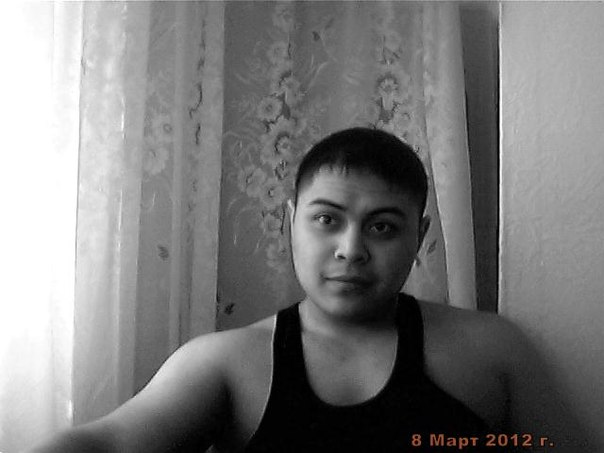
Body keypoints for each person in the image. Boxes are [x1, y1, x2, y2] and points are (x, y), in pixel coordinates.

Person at [28, 128, 593, 452]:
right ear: (290, 222)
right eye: (327, 220)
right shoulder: (228, 364)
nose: (351, 249)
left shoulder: (492, 352)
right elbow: (107, 443)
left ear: (419, 237)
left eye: (382, 227)